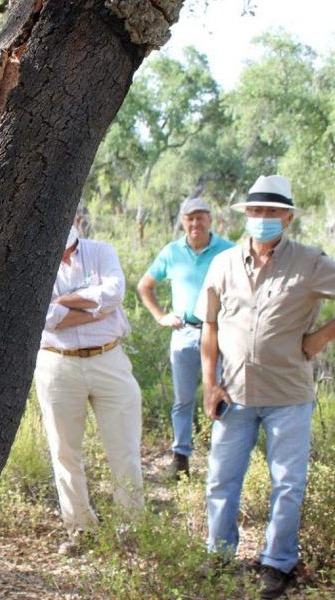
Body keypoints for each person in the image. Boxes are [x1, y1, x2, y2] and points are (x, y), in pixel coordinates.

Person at [197, 175, 335, 599]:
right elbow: (210, 326)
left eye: (271, 212)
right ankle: (220, 557)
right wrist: (209, 384)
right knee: (221, 480)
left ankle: (277, 563)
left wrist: (319, 338)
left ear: (287, 218)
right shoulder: (223, 263)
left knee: (288, 484)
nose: (262, 218)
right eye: (256, 211)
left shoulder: (311, 262)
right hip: (234, 395)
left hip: (288, 396)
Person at [36, 217, 144, 556]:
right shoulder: (36, 260)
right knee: (64, 451)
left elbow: (113, 293)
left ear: (77, 220)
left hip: (108, 358)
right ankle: (80, 529)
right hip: (58, 363)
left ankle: (131, 529)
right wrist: (94, 309)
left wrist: (62, 302)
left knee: (125, 448)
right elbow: (42, 316)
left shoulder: (101, 252)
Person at [137, 197, 234, 478]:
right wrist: (160, 316)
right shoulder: (172, 252)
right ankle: (181, 460)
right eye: (190, 218)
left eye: (200, 217)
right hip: (185, 333)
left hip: (221, 333)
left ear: (210, 220)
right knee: (183, 400)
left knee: (222, 394)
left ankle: (222, 459)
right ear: (183, 222)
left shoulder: (228, 250)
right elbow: (145, 286)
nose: (195, 223)